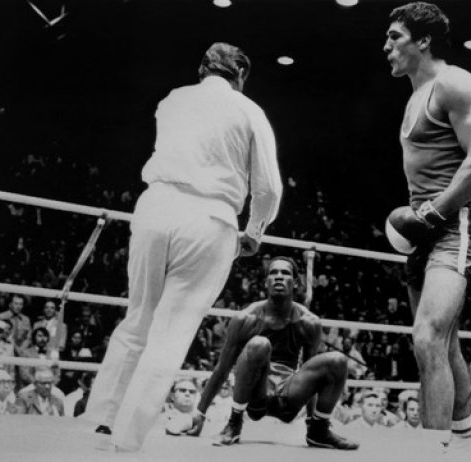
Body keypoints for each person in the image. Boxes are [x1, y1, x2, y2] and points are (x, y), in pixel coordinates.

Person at [84, 42, 282, 452]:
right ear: (240, 75)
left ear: (202, 70)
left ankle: (101, 422)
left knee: (137, 319)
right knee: (171, 332)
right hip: (210, 217)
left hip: (156, 205)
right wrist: (254, 231)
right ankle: (126, 440)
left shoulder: (172, 100)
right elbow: (268, 188)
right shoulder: (249, 111)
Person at [382, 1, 471, 449]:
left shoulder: (455, 83)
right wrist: (420, 217)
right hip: (423, 231)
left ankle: (430, 452)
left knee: (427, 335)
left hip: (453, 224)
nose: (386, 46)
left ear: (424, 40)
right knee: (444, 343)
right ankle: (463, 442)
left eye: (395, 36)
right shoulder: (415, 95)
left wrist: (434, 212)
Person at [189, 257, 358, 450]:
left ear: (295, 283)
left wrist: (311, 421)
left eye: (285, 273)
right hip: (255, 393)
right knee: (259, 344)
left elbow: (311, 376)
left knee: (337, 360)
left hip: (288, 393)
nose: (279, 277)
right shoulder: (246, 318)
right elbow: (222, 369)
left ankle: (318, 431)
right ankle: (234, 424)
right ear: (266, 282)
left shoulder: (309, 322)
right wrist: (200, 414)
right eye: (273, 273)